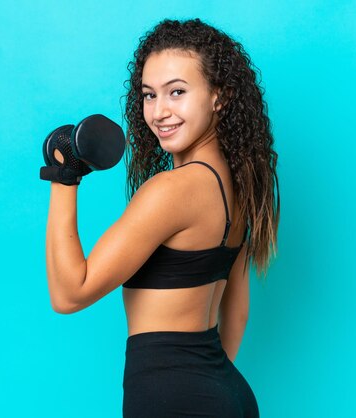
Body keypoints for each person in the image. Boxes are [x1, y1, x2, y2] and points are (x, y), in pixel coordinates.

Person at [44, 18, 279, 418]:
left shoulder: (171, 191)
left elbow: (70, 293)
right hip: (227, 393)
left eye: (177, 92)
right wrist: (205, 387)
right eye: (149, 95)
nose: (159, 111)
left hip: (171, 399)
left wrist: (64, 174)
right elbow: (236, 313)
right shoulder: (240, 186)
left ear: (219, 97)